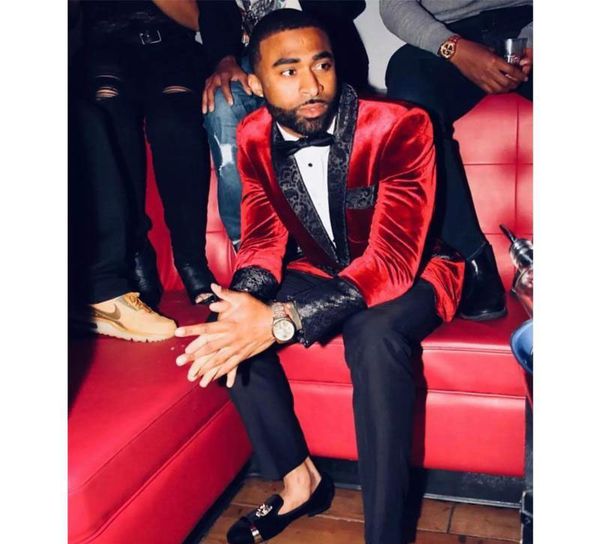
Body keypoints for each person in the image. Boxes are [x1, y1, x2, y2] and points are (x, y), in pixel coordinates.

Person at [175, 10, 463, 544]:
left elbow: (391, 261)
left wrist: (283, 321)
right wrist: (248, 303)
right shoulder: (252, 136)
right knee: (229, 322)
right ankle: (298, 481)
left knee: (373, 335)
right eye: (288, 71)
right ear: (255, 82)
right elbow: (262, 240)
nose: (312, 85)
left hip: (416, 271)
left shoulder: (399, 125)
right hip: (322, 267)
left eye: (322, 65)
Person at [381, 0, 533, 321]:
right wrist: (452, 48)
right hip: (448, 36)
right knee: (409, 92)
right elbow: (394, 5)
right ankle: (472, 262)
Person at [75, 0, 217, 308]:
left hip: (171, 46)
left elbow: (199, 20)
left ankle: (191, 258)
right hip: (103, 48)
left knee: (174, 123)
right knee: (110, 120)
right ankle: (136, 250)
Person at [198, 0, 370, 247]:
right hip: (254, 55)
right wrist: (224, 58)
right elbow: (213, 11)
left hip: (316, 41)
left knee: (312, 96)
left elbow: (351, 5)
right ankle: (249, 245)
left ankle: (337, 236)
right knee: (223, 103)